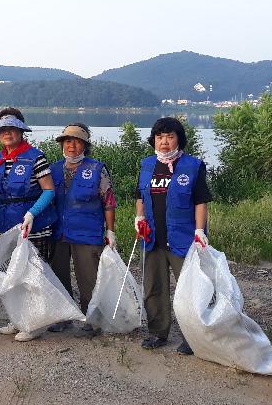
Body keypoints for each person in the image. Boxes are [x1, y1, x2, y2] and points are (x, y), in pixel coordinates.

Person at [134, 117, 212, 355]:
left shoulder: (192, 166)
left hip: (183, 238)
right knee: (153, 287)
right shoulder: (147, 165)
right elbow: (140, 196)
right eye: (159, 137)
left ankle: (193, 337)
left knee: (189, 290)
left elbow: (200, 201)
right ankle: (158, 333)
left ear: (179, 139)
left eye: (169, 137)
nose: (164, 142)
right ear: (153, 141)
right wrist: (139, 218)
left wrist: (200, 231)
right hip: (153, 238)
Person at [0, 108, 57, 342]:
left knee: (32, 275)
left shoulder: (36, 157)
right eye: (2, 130)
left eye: (12, 129)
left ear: (20, 131)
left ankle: (35, 323)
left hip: (34, 225)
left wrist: (32, 212)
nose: (7, 133)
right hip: (8, 225)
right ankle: (17, 318)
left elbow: (48, 190)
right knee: (12, 274)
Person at [48, 123, 117, 334]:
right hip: (58, 232)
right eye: (68, 141)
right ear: (62, 144)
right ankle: (63, 316)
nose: (72, 146)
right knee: (58, 276)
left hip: (88, 232)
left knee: (89, 278)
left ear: (85, 146)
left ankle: (93, 319)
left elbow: (109, 201)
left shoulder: (97, 169)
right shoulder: (53, 169)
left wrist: (110, 231)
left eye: (77, 142)